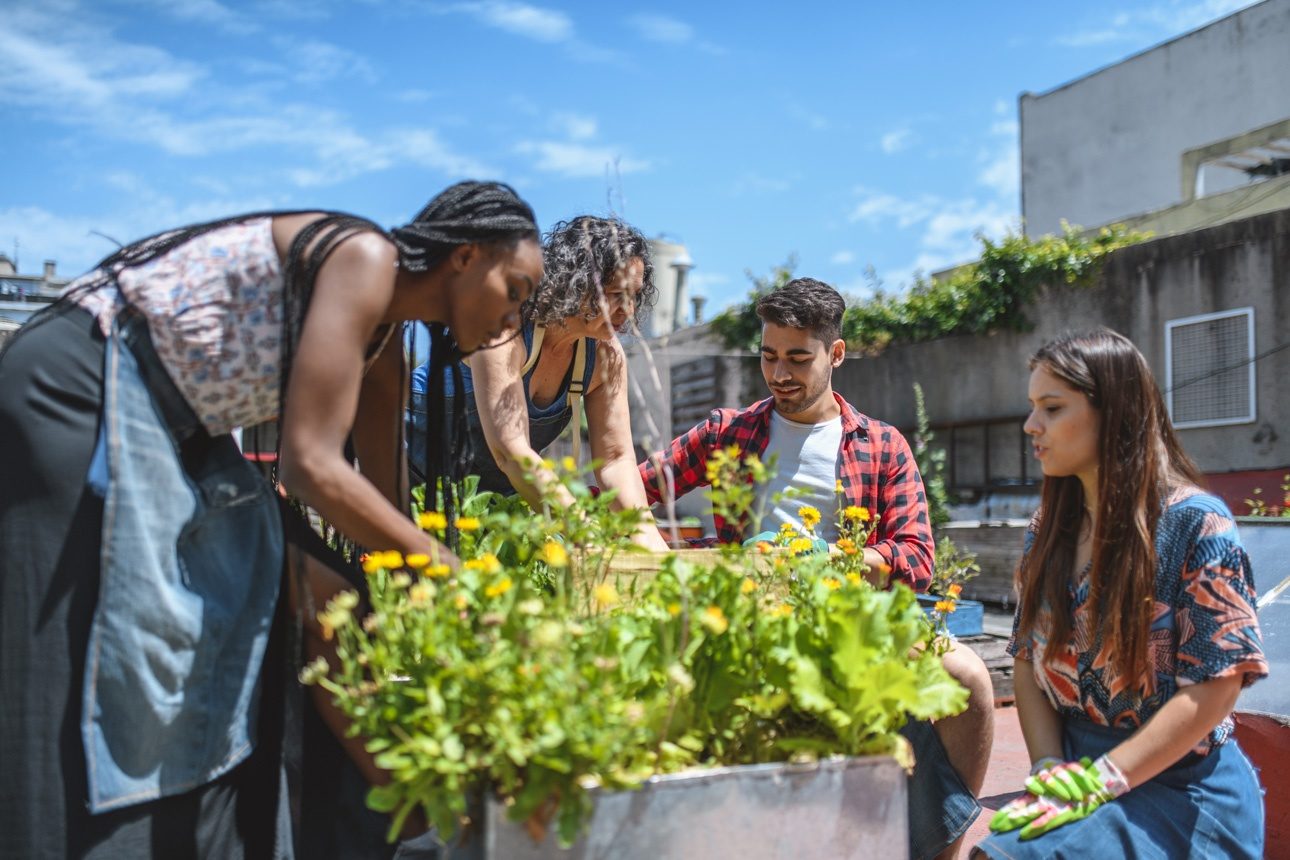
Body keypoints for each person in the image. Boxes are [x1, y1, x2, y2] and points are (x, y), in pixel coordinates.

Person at [0, 181, 543, 858]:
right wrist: (445, 568)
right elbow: (309, 467)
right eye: (516, 290)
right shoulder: (363, 257)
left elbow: (379, 487)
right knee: (103, 642)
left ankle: (410, 818)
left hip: (182, 423)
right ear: (464, 257)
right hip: (82, 383)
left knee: (327, 591)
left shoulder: (387, 337)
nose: (512, 320)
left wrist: (409, 589)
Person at [639, 277, 993, 860]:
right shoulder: (729, 432)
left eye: (798, 358)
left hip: (857, 621)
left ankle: (940, 852)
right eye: (768, 356)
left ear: (836, 354)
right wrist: (680, 554)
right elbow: (631, 487)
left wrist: (843, 562)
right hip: (748, 619)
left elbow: (918, 557)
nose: (780, 373)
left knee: (971, 678)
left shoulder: (881, 444)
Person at [974, 329, 1267, 858]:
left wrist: (1104, 779)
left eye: (1052, 408)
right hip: (1075, 771)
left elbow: (1217, 685)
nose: (1030, 426)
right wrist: (1046, 768)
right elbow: (1025, 659)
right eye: (1033, 407)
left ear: (1114, 412)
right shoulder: (1048, 529)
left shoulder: (1196, 525)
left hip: (1179, 786)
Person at [409, 215, 668, 550]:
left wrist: (655, 551)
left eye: (634, 296)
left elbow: (617, 462)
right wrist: (584, 532)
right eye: (616, 294)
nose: (628, 310)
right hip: (407, 475)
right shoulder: (503, 326)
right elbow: (510, 451)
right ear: (575, 283)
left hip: (487, 503)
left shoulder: (605, 357)